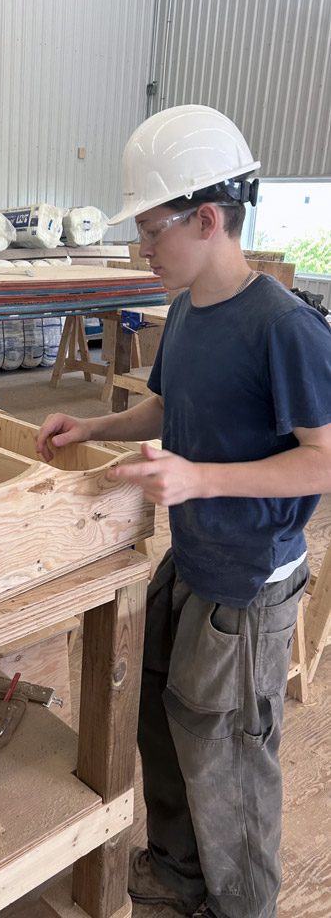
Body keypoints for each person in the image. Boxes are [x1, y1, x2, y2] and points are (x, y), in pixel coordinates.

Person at [36, 105, 331, 918]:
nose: (141, 247)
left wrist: (199, 479)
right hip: (192, 556)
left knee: (226, 751)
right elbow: (168, 409)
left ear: (206, 218)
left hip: (249, 580)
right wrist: (92, 427)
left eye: (149, 228)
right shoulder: (189, 315)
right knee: (161, 720)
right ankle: (177, 870)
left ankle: (239, 905)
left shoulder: (285, 328)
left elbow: (322, 457)